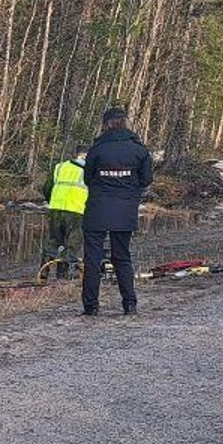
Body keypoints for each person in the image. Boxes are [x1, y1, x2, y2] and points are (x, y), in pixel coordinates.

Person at [81, 107, 153, 316]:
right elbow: (147, 179)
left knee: (92, 259)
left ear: (106, 124)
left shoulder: (97, 149)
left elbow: (88, 179)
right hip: (125, 209)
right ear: (125, 123)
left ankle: (91, 306)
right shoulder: (139, 150)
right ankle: (129, 304)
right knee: (122, 256)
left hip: (97, 209)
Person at [41, 146, 89, 278]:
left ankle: (43, 272)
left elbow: (47, 187)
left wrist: (53, 201)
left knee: (53, 241)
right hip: (76, 211)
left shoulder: (60, 167)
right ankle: (62, 275)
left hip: (56, 209)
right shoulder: (89, 170)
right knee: (72, 244)